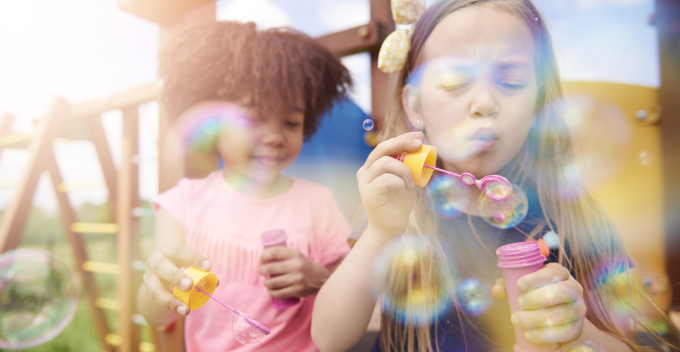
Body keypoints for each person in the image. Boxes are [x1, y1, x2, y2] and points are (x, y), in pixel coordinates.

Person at [312, 0, 647, 351]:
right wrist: (380, 232)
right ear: (415, 106)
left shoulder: (576, 219)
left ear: (539, 102)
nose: (485, 102)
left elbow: (630, 342)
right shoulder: (397, 204)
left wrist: (581, 333)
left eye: (512, 81)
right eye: (455, 80)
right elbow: (328, 338)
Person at [137, 21, 353, 351]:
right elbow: (157, 316)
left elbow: (351, 282)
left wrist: (318, 278)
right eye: (252, 118)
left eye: (291, 122)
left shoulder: (318, 203)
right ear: (213, 127)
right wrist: (157, 281)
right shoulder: (182, 205)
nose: (276, 137)